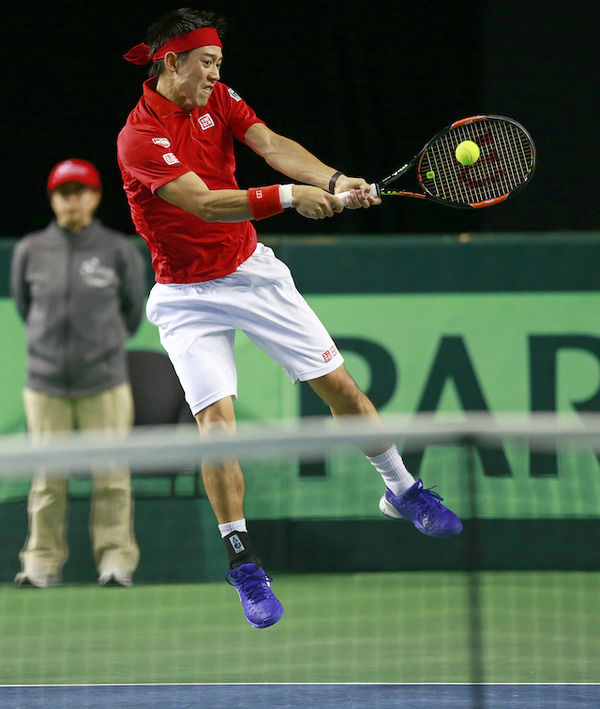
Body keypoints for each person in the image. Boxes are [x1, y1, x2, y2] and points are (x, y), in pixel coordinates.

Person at [118, 8, 462, 629]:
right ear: (171, 61)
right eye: (207, 63)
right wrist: (288, 198)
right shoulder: (139, 137)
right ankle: (245, 564)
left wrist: (333, 178)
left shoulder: (218, 98)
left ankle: (402, 489)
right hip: (185, 297)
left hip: (251, 272)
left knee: (341, 389)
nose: (216, 74)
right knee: (217, 426)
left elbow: (271, 146)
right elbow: (201, 202)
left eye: (220, 64)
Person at [10, 158, 147, 588]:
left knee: (112, 477)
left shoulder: (118, 250)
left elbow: (131, 313)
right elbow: (24, 307)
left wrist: (99, 353)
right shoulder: (30, 250)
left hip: (104, 384)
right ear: (52, 199)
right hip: (45, 386)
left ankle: (116, 562)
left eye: (80, 191)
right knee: (47, 481)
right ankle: (40, 565)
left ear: (95, 197)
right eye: (63, 193)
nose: (72, 200)